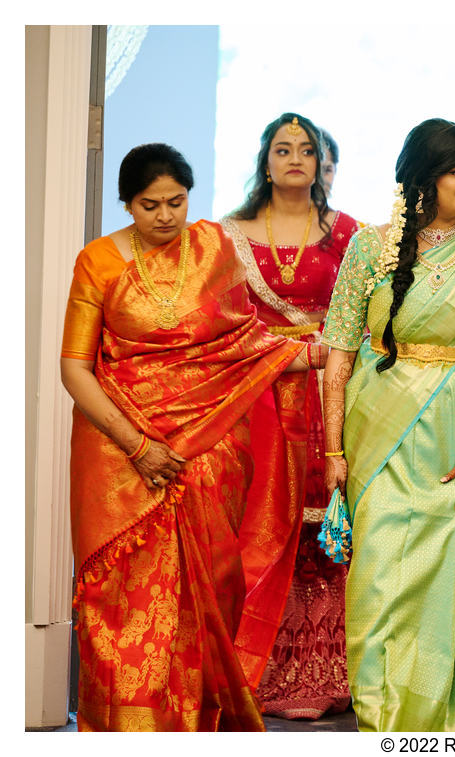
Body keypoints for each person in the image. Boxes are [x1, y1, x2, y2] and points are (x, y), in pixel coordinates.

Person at [62, 143, 322, 731]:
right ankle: (129, 730)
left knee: (213, 581)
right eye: (149, 204)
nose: (165, 216)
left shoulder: (212, 249)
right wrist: (138, 446)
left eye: (176, 202)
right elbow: (74, 368)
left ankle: (195, 728)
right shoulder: (98, 261)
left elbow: (240, 343)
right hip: (119, 452)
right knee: (122, 602)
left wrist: (314, 356)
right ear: (126, 203)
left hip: (205, 446)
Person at [320, 118, 455, 731]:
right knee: (379, 580)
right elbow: (338, 353)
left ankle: (443, 732)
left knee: (443, 582)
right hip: (378, 429)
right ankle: (382, 728)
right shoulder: (369, 247)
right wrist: (334, 451)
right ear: (423, 176)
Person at [220, 113, 359, 719]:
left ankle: (331, 672)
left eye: (307, 149)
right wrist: (292, 352)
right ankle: (261, 668)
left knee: (327, 531)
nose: (295, 158)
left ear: (320, 161)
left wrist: (329, 355)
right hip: (261, 397)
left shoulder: (348, 232)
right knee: (260, 530)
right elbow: (222, 323)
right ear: (265, 160)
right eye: (283, 149)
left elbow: (362, 314)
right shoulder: (229, 236)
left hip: (334, 395)